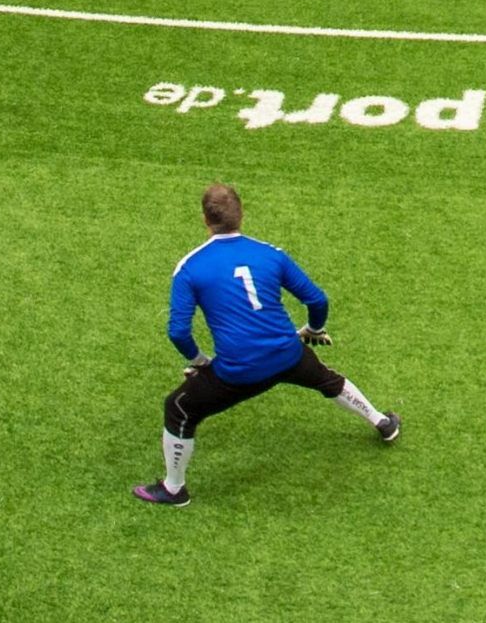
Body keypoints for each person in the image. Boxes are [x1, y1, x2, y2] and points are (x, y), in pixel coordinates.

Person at [132, 182, 399, 508]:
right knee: (326, 379)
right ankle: (382, 422)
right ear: (241, 214)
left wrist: (201, 361)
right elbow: (317, 299)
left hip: (236, 372)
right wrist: (313, 329)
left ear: (205, 219)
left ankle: (174, 489)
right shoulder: (270, 254)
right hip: (288, 355)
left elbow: (178, 332)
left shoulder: (190, 267)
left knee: (178, 408)